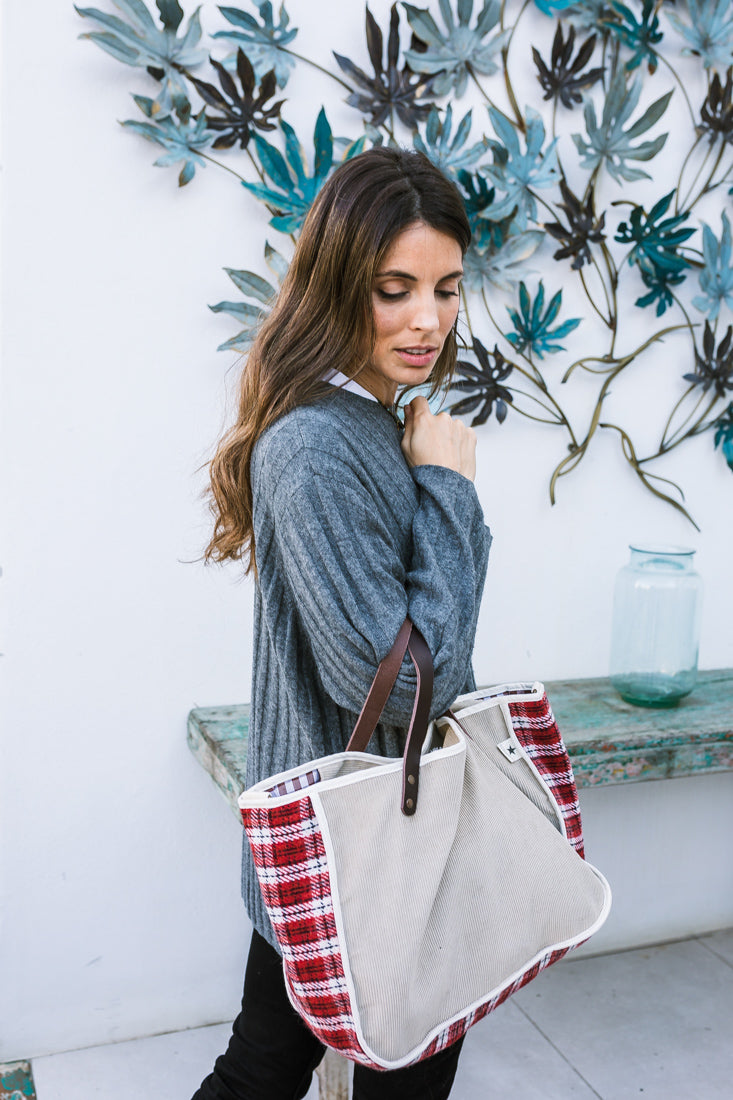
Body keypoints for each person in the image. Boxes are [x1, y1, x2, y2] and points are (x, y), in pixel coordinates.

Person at [194, 147, 492, 1100]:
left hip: (354, 838)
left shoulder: (368, 421)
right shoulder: (319, 446)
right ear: (336, 287)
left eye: (446, 288)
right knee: (276, 1073)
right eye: (393, 288)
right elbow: (405, 684)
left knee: (267, 1067)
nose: (428, 320)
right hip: (357, 847)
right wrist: (446, 487)